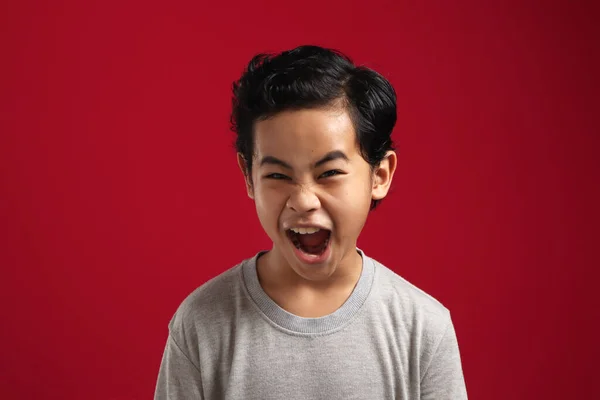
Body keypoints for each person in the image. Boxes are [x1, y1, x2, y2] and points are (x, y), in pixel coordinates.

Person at [154, 45, 468, 399]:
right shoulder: (201, 325)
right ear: (248, 176)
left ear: (379, 175)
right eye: (277, 175)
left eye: (329, 172)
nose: (303, 199)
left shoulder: (423, 328)